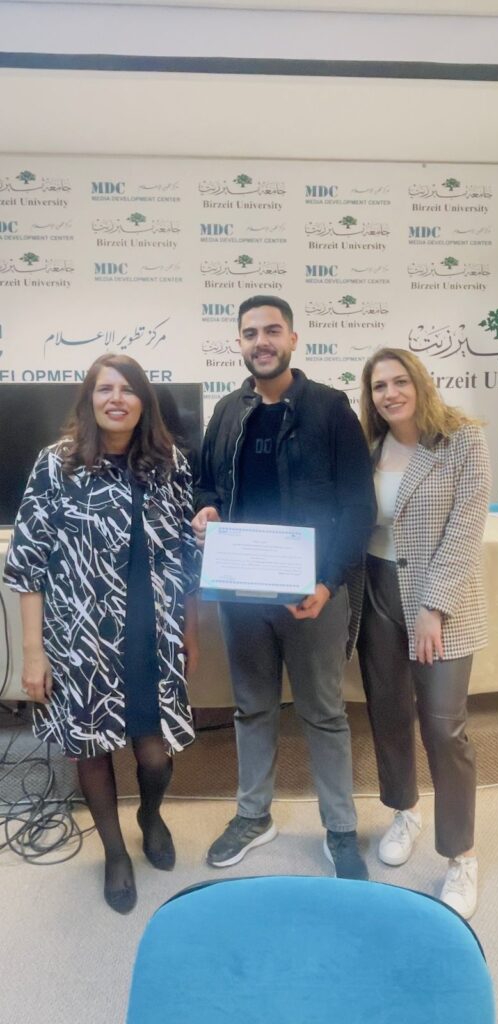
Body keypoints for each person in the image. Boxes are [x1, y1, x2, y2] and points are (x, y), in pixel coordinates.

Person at [4, 354, 200, 914]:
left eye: (128, 389)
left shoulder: (170, 464)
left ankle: (150, 815)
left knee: (155, 754)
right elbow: (28, 564)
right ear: (89, 399)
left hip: (153, 634)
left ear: (143, 401)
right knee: (91, 748)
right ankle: (115, 852)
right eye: (104, 389)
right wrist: (33, 653)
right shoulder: (57, 464)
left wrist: (189, 631)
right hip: (81, 637)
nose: (116, 398)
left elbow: (185, 555)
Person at [193, 295, 376, 880]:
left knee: (323, 713)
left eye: (272, 330)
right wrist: (207, 511)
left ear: (293, 339)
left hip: (313, 594)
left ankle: (340, 829)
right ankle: (254, 816)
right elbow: (206, 486)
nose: (261, 341)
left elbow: (358, 507)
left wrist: (327, 581)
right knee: (252, 707)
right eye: (250, 333)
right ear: (239, 344)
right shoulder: (227, 411)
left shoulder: (330, 409)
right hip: (242, 593)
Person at [357, 347, 491, 919]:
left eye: (399, 381)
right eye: (379, 386)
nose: (390, 393)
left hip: (441, 599)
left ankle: (461, 855)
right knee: (388, 710)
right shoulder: (368, 446)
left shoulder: (461, 439)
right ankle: (405, 811)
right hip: (376, 591)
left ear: (419, 382)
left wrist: (434, 606)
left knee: (443, 725)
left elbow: (466, 526)